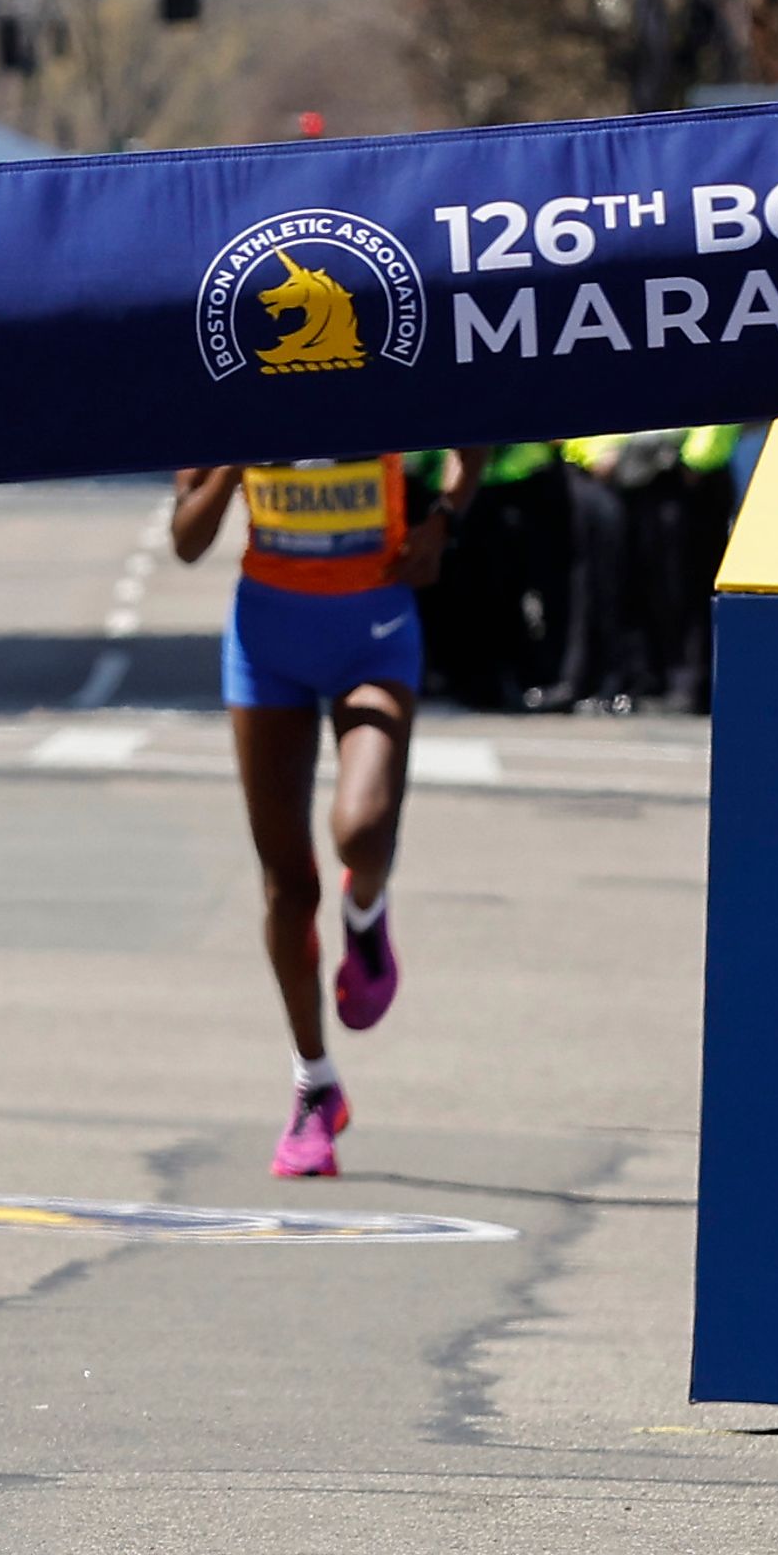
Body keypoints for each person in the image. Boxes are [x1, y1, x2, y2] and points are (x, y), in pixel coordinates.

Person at [169, 446, 487, 1178]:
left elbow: (473, 434)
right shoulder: (225, 374)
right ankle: (315, 1083)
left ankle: (367, 913)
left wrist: (443, 519)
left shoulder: (372, 361)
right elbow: (186, 540)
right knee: (287, 883)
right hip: (267, 641)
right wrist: (234, 460)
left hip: (372, 630)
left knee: (362, 831)